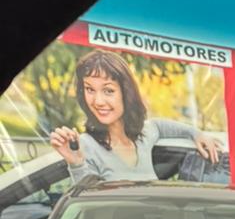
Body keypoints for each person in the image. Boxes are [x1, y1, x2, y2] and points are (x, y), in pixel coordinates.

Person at [49, 50, 221, 183]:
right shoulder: (85, 146)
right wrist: (77, 164)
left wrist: (196, 134)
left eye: (108, 90)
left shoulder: (143, 136)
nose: (98, 101)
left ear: (126, 92)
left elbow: (159, 126)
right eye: (90, 89)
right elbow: (87, 206)